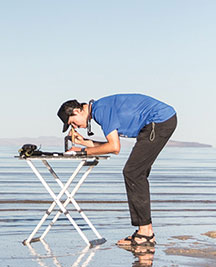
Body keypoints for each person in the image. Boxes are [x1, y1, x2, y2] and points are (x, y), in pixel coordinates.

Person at [56, 94, 177, 249]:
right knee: (135, 173)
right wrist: (83, 144)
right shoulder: (100, 109)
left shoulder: (101, 110)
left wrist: (82, 152)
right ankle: (145, 230)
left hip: (160, 120)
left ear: (77, 111)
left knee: (133, 173)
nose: (76, 127)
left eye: (73, 123)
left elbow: (114, 148)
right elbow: (112, 144)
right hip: (159, 121)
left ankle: (146, 233)